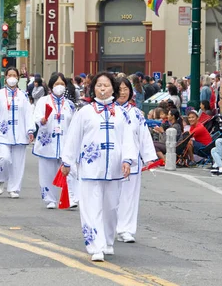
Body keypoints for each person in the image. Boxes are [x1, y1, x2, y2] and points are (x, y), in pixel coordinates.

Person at [60, 72, 137, 262]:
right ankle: (95, 245)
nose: (103, 89)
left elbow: (128, 139)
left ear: (113, 88)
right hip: (90, 168)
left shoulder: (121, 113)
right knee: (91, 207)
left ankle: (108, 241)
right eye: (99, 85)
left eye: (107, 85)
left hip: (114, 169)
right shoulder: (84, 112)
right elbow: (73, 137)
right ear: (93, 88)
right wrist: (67, 161)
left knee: (111, 207)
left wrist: (127, 159)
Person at [115, 77, 156, 244]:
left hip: (132, 162)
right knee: (111, 197)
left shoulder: (136, 113)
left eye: (126, 89)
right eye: (120, 89)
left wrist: (149, 159)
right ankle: (110, 227)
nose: (123, 92)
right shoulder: (105, 111)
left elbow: (144, 136)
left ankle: (126, 229)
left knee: (129, 196)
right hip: (111, 162)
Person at [0, 67, 35, 199]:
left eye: (14, 75)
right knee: (5, 159)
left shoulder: (23, 95)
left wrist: (30, 130)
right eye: (10, 75)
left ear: (18, 78)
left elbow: (28, 114)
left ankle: (14, 189)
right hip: (2, 133)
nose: (12, 78)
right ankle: (1, 178)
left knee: (18, 163)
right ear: (6, 78)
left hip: (20, 133)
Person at [32, 72, 76, 209]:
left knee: (70, 170)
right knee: (47, 172)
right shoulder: (43, 101)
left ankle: (71, 197)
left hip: (65, 142)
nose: (60, 86)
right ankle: (50, 199)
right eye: (57, 84)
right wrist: (42, 121)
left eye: (62, 84)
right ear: (51, 86)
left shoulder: (69, 104)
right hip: (47, 142)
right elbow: (36, 117)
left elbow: (74, 123)